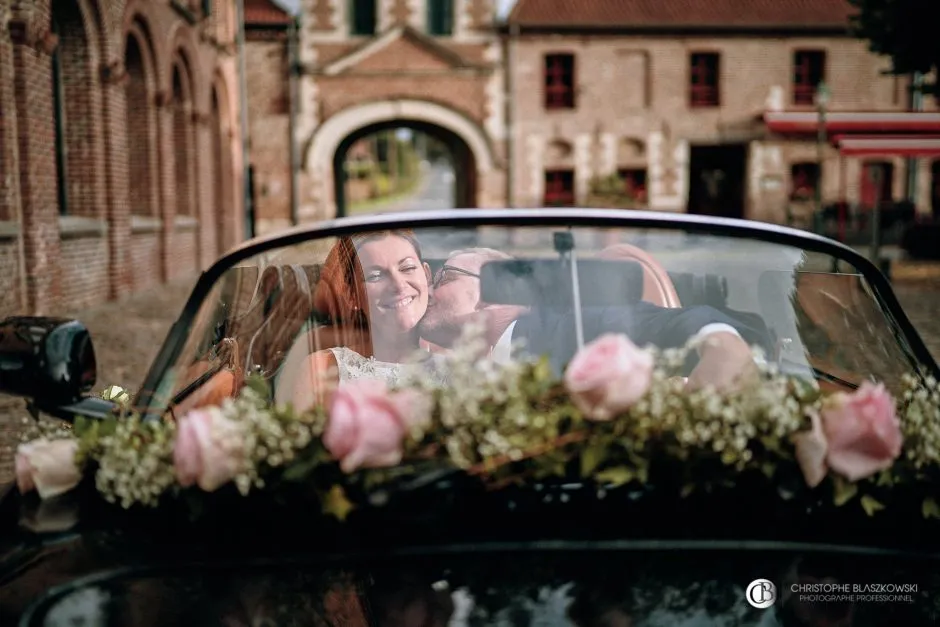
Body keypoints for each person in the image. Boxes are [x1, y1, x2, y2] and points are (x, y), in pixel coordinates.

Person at [417, 247, 769, 392]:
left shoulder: (572, 330)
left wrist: (721, 343)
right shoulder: (431, 370)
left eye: (443, 277)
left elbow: (663, 325)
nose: (428, 290)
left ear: (500, 291)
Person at [277, 230, 448, 412]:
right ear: (352, 296)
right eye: (375, 276)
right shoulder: (322, 369)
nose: (398, 285)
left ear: (427, 275)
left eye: (407, 268)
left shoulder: (458, 365)